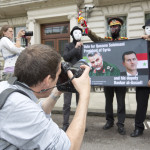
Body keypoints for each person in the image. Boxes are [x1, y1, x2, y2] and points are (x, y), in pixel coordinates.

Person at [0, 44, 91, 149]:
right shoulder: (20, 108)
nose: (59, 78)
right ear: (47, 80)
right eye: (58, 75)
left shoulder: (6, 88)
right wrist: (84, 95)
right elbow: (70, 147)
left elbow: (36, 113)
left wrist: (57, 91)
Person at [87, 17, 127, 135]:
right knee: (108, 101)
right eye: (111, 27)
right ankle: (109, 121)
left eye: (116, 26)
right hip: (108, 76)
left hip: (120, 77)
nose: (113, 28)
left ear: (120, 28)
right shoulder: (105, 40)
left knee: (121, 102)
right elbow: (95, 38)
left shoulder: (125, 40)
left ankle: (121, 124)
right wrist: (87, 30)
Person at [130, 19, 150, 137]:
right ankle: (139, 127)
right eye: (146, 28)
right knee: (141, 106)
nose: (147, 31)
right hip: (142, 80)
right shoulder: (141, 44)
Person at [62, 26, 84, 131]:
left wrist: (80, 48)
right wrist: (75, 48)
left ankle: (79, 124)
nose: (78, 35)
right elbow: (66, 57)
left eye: (80, 33)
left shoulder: (83, 46)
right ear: (72, 35)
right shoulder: (68, 45)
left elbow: (83, 59)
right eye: (75, 33)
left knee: (80, 102)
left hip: (80, 76)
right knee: (67, 102)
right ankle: (65, 123)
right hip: (69, 76)